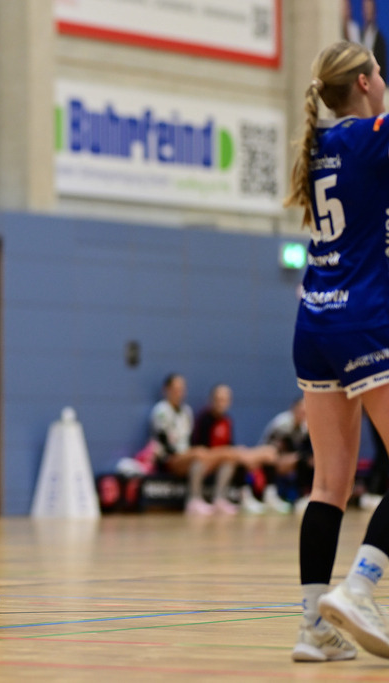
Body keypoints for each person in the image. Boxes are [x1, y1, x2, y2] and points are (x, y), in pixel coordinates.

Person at [283, 40, 389, 662]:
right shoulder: (370, 137)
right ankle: (361, 587)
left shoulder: (319, 143)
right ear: (367, 83)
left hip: (314, 322)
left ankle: (311, 628)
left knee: (329, 484)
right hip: (364, 321)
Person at [191, 384, 290, 515]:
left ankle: (221, 499)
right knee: (245, 455)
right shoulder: (204, 419)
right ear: (211, 400)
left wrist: (233, 452)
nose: (221, 403)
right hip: (209, 459)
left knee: (232, 462)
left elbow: (229, 443)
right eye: (218, 399)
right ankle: (195, 500)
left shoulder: (227, 420)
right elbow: (201, 449)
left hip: (224, 459)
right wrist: (233, 452)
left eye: (225, 400)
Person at [149, 374, 237, 515]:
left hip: (187, 455)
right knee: (200, 453)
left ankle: (218, 499)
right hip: (168, 458)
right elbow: (163, 441)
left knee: (219, 461)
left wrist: (190, 453)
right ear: (166, 390)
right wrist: (187, 454)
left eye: (182, 389)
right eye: (176, 389)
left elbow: (189, 439)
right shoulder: (161, 410)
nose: (179, 393)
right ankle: (193, 500)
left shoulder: (186, 411)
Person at [259, 396, 314, 510]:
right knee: (270, 456)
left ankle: (304, 496)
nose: (303, 414)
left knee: (309, 461)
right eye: (300, 411)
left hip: (292, 458)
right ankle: (270, 494)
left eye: (305, 412)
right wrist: (286, 457)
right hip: (270, 455)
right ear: (293, 409)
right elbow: (272, 447)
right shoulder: (283, 423)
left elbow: (305, 450)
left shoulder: (305, 426)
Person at [362, 0, 388, 77]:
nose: (367, 12)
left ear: (374, 11)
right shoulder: (360, 34)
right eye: (365, 8)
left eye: (369, 8)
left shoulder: (380, 39)